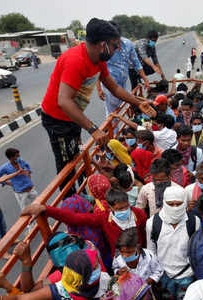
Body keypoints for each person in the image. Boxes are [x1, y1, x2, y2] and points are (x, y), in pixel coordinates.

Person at [41, 18, 153, 196]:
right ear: (103, 45)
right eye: (115, 45)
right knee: (66, 166)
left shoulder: (98, 60)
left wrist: (139, 102)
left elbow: (114, 87)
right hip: (58, 119)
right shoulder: (75, 60)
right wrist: (93, 129)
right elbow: (64, 101)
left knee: (76, 157)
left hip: (73, 116)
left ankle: (82, 191)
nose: (117, 49)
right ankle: (72, 203)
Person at [21, 188, 147, 260]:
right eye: (119, 209)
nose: (124, 211)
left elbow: (144, 235)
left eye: (126, 207)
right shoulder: (103, 218)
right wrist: (46, 209)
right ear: (110, 208)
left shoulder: (139, 214)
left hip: (140, 253)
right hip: (120, 258)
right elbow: (75, 218)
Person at [146, 186, 200, 300]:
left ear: (185, 203)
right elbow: (151, 253)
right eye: (170, 204)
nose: (175, 208)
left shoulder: (194, 221)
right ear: (164, 203)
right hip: (163, 276)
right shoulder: (152, 223)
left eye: (178, 204)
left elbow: (196, 251)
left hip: (187, 275)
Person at [0, 249, 111, 299]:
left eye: (97, 266)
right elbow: (23, 298)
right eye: (93, 268)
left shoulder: (107, 280)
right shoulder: (61, 289)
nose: (98, 270)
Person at [97, 22, 150, 116]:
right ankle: (111, 130)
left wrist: (145, 79)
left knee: (121, 108)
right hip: (108, 84)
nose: (117, 45)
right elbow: (97, 68)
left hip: (122, 84)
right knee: (112, 112)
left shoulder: (128, 44)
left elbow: (136, 63)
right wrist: (99, 88)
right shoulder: (104, 48)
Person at [0, 148, 38, 213]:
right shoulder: (5, 167)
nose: (19, 157)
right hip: (21, 193)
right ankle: (30, 223)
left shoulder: (21, 161)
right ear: (11, 158)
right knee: (26, 212)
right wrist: (7, 183)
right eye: (17, 156)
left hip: (31, 189)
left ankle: (42, 222)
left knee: (38, 206)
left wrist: (28, 172)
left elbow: (27, 166)